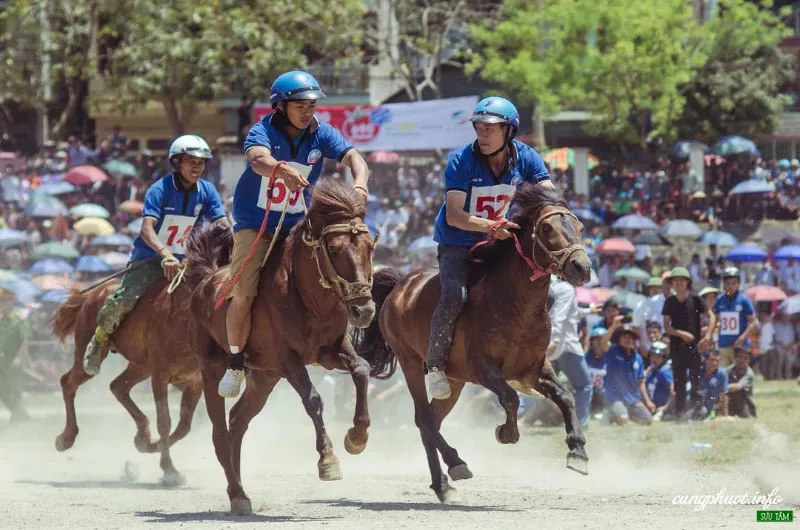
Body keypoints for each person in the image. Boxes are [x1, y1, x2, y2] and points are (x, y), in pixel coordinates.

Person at [220, 71, 370, 398]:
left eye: (312, 104)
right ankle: (234, 361)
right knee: (243, 292)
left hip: (297, 222)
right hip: (254, 224)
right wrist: (280, 168)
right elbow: (258, 159)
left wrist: (360, 183)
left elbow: (354, 157)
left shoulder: (322, 132)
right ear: (280, 106)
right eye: (300, 104)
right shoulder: (261, 130)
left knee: (343, 256)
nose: (308, 110)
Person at [425, 96, 553, 399]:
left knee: (526, 288)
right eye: (479, 128)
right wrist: (489, 226)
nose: (482, 135)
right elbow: (455, 215)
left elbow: (550, 195)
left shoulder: (526, 156)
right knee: (454, 297)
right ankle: (434, 366)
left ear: (509, 131)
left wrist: (556, 213)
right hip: (457, 243)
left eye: (490, 129)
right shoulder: (461, 160)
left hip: (497, 242)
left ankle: (525, 367)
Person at [82, 135, 227, 375]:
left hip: (187, 263)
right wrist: (165, 255)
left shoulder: (208, 191)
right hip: (149, 259)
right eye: (191, 160)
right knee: (124, 300)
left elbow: (221, 225)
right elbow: (146, 228)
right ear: (177, 162)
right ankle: (99, 339)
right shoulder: (159, 190)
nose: (197, 167)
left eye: (201, 162)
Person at [662, 266, 715, 418]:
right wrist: (681, 334)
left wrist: (707, 336)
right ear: (671, 283)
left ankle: (696, 413)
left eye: (681, 280)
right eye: (675, 280)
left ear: (687, 282)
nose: (678, 283)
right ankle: (679, 414)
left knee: (696, 382)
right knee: (679, 383)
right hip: (677, 347)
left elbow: (711, 316)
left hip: (694, 348)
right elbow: (666, 325)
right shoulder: (670, 302)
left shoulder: (695, 299)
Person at [545, 278, 592, 427]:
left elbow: (571, 312)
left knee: (543, 384)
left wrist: (590, 311)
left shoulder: (555, 288)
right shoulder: (567, 289)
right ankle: (581, 424)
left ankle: (520, 414)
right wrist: (555, 340)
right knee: (585, 385)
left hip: (556, 346)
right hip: (566, 345)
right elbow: (559, 315)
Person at [599, 321, 653, 426]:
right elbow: (603, 343)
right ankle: (611, 413)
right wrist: (613, 326)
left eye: (630, 337)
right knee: (624, 420)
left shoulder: (638, 358)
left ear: (633, 340)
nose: (627, 340)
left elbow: (641, 382)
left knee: (647, 420)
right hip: (614, 398)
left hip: (632, 399)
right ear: (619, 340)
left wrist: (647, 401)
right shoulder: (612, 352)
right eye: (624, 337)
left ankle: (615, 416)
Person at [713, 267, 757, 368]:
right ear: (724, 284)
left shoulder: (744, 300)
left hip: (740, 345)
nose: (731, 286)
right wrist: (714, 338)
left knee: (739, 373)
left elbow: (753, 322)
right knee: (723, 375)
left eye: (734, 283)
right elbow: (715, 320)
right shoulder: (719, 300)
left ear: (738, 284)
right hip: (723, 344)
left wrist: (742, 337)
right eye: (728, 283)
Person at [0, 287, 29, 422]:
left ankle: (18, 418)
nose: (2, 304)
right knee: (2, 391)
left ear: (11, 302)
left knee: (16, 391)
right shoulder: (1, 318)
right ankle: (19, 414)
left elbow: (25, 339)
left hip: (14, 360)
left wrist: (18, 358)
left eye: (4, 301)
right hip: (2, 360)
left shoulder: (19, 318)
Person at [632, 276, 668, 352]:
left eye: (658, 287)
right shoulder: (641, 305)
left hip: (665, 345)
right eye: (652, 287)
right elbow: (635, 326)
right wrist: (641, 345)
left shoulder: (667, 302)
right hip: (646, 347)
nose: (656, 289)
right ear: (648, 289)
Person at [693, 350, 729, 420]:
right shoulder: (698, 371)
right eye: (712, 360)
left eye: (717, 361)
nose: (714, 363)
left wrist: (725, 416)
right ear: (706, 360)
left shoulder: (722, 374)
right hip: (693, 401)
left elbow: (723, 396)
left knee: (703, 413)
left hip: (708, 407)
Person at [644, 341, 673, 420]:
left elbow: (673, 392)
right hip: (651, 405)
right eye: (652, 356)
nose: (654, 359)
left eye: (657, 356)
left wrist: (664, 407)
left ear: (663, 358)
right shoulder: (650, 371)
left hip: (661, 407)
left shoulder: (665, 371)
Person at [726, 347, 756, 418]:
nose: (741, 360)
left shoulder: (749, 374)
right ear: (735, 357)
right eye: (739, 357)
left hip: (745, 410)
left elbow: (737, 387)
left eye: (745, 358)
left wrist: (720, 387)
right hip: (730, 406)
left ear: (749, 360)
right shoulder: (728, 370)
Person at [585, 327, 607, 418]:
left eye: (601, 339)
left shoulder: (611, 357)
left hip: (604, 393)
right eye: (596, 339)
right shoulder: (586, 357)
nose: (598, 342)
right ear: (592, 341)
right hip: (590, 392)